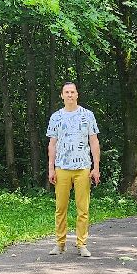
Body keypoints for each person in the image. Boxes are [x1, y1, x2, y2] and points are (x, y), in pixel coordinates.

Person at [45, 81, 100, 258]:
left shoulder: (87, 115)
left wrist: (96, 167)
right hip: (62, 167)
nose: (69, 95)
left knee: (82, 208)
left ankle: (82, 244)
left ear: (77, 94)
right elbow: (52, 144)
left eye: (72, 92)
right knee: (60, 208)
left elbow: (94, 142)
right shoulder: (56, 117)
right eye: (66, 92)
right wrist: (51, 168)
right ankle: (60, 244)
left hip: (83, 167)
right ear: (62, 96)